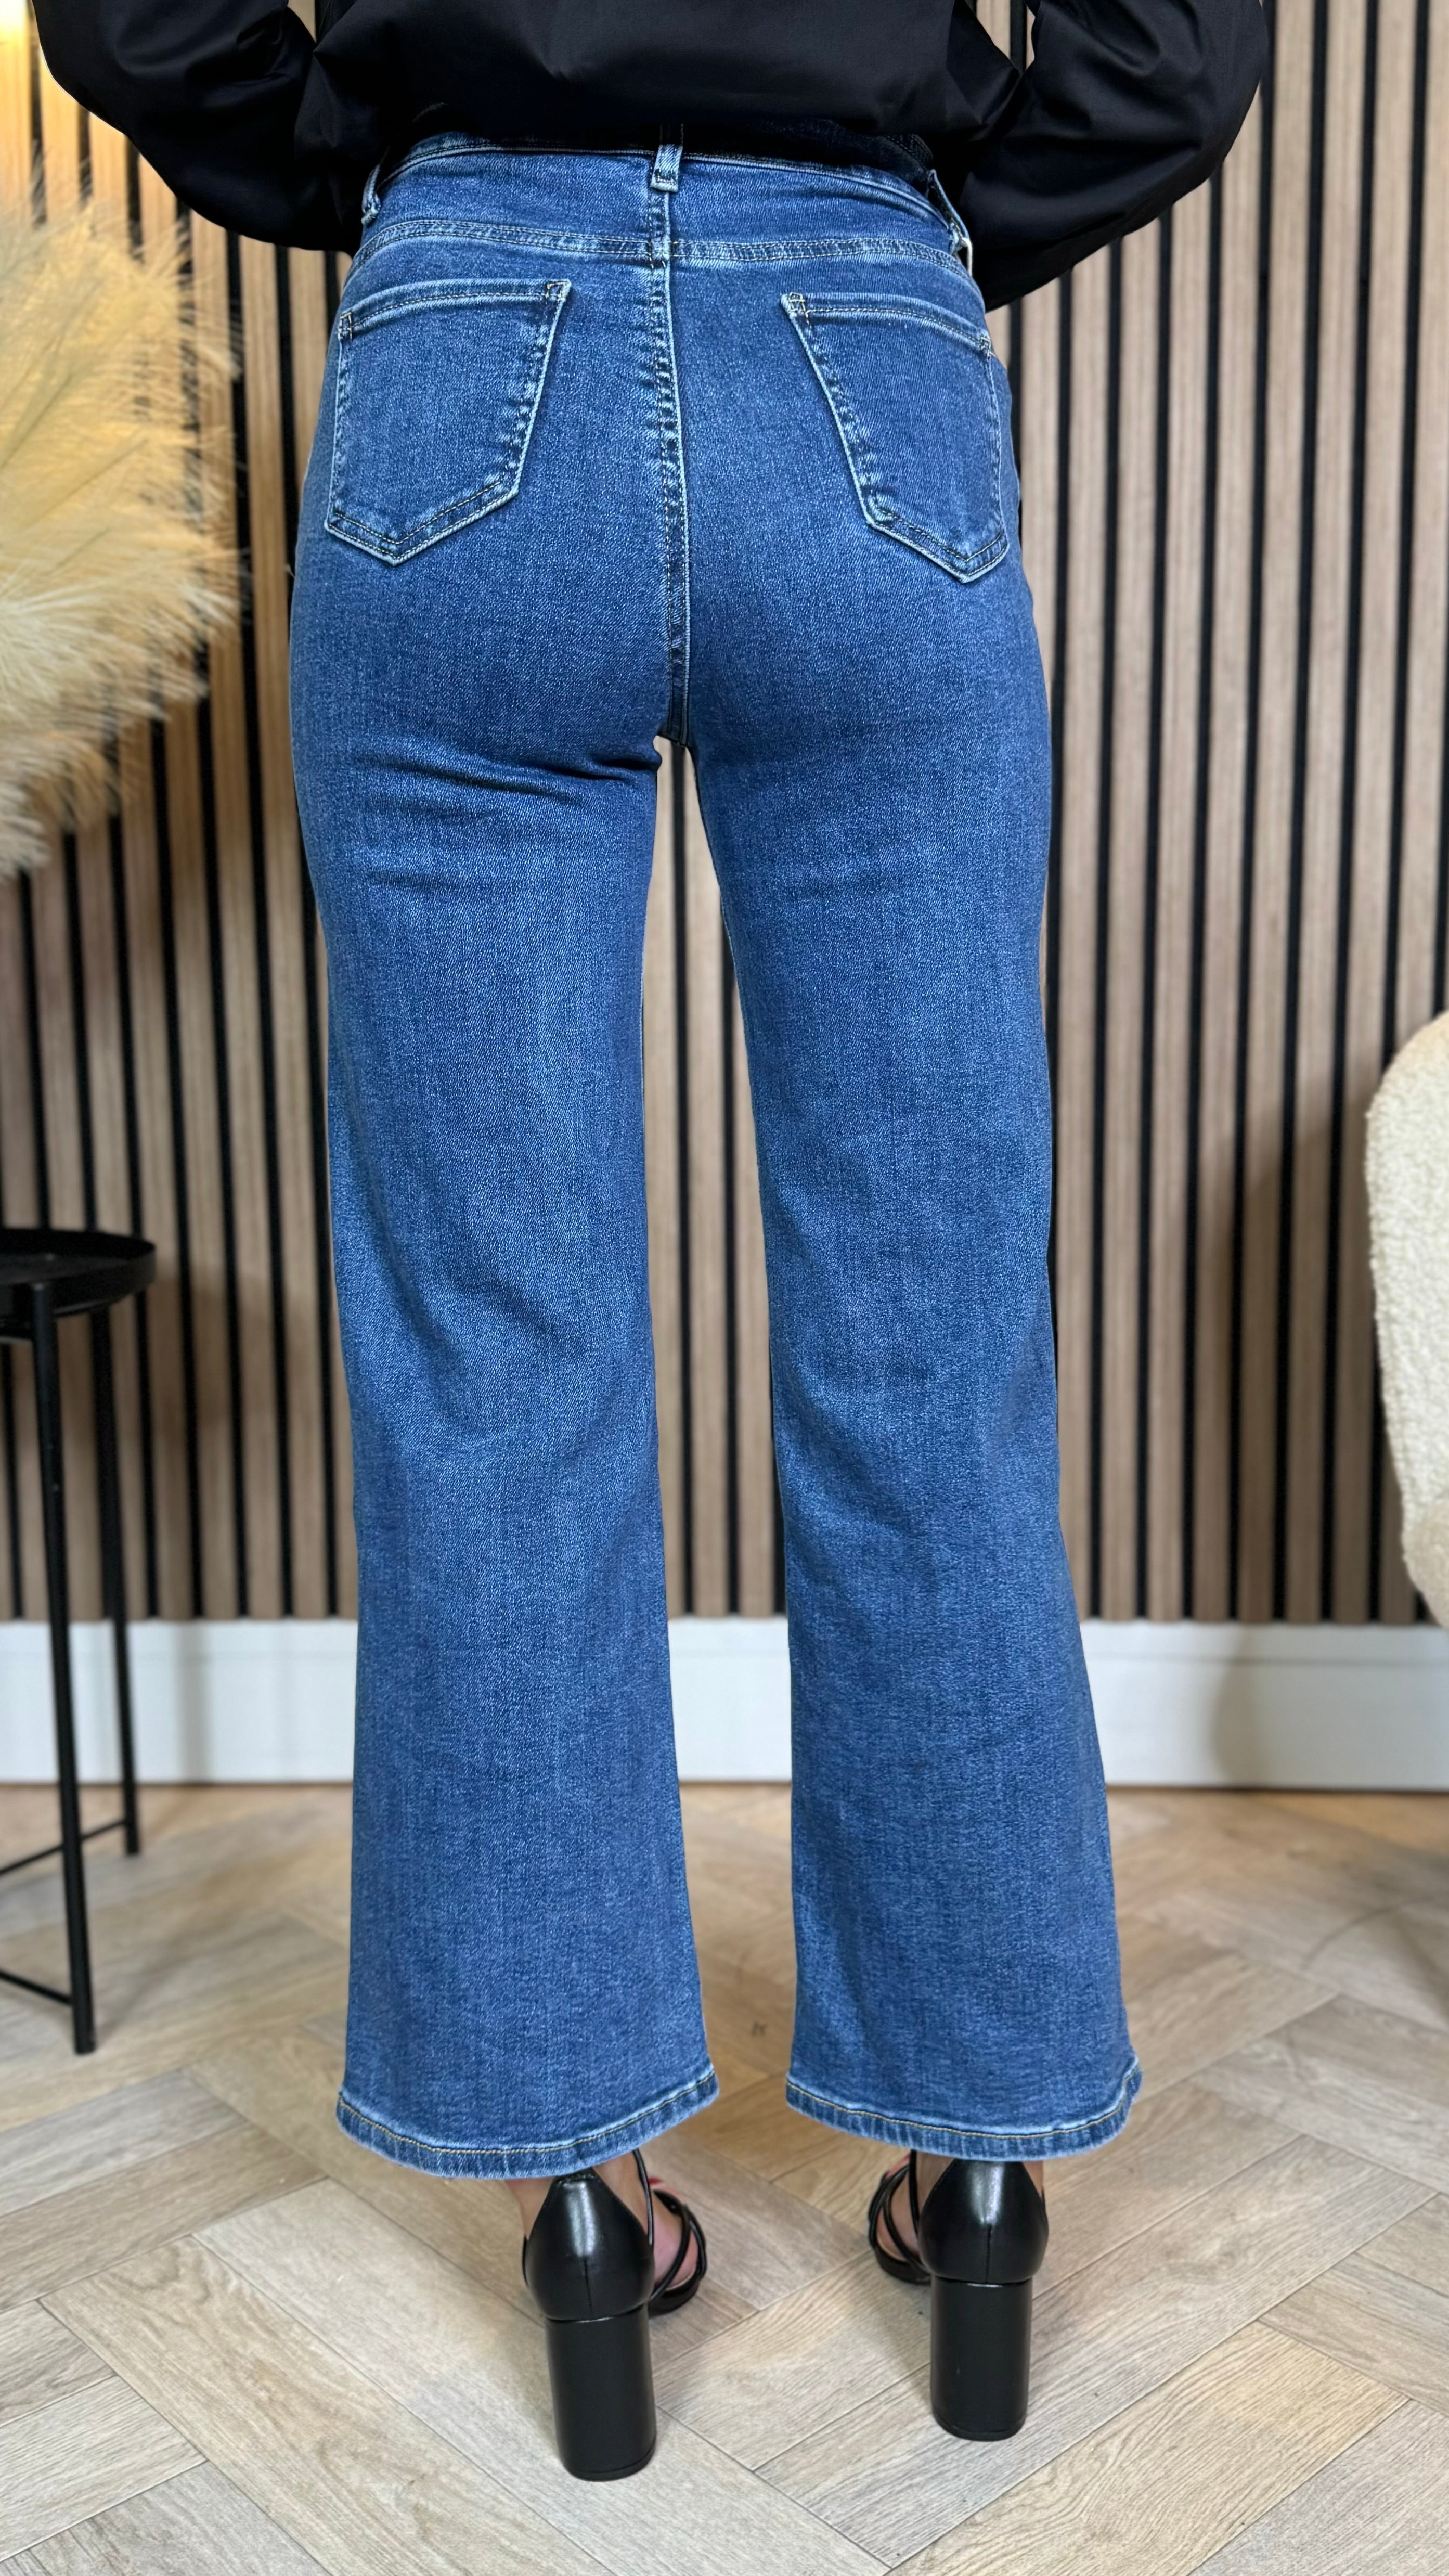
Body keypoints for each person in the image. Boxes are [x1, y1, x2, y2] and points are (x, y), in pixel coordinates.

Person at [36, 0, 1267, 2481]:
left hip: (461, 337)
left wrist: (388, 157)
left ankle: (579, 2196)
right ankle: (983, 2158)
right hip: (862, 349)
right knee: (929, 1337)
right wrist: (918, 194)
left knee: (494, 1357)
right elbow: (1175, 46)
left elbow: (130, 10)